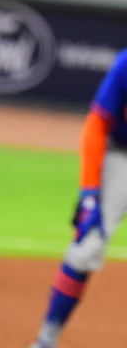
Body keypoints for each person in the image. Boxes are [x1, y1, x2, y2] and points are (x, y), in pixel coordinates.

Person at [29, 50, 127, 348]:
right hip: (120, 154)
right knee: (87, 246)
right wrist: (89, 195)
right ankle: (47, 338)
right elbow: (97, 124)